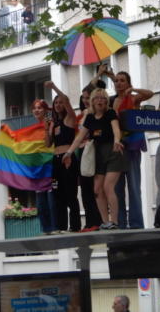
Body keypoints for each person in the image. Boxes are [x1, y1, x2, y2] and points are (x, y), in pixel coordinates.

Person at [63, 88, 126, 230]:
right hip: (97, 154)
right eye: (97, 98)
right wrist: (69, 152)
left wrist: (117, 140)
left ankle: (114, 222)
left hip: (113, 151)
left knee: (108, 187)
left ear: (106, 101)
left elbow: (116, 129)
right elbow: (80, 136)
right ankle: (105, 222)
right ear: (92, 101)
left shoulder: (110, 113)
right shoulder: (90, 117)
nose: (100, 100)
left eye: (103, 98)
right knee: (97, 189)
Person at [110, 70, 153, 229]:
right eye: (116, 81)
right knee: (117, 188)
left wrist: (133, 90)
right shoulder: (111, 101)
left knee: (134, 187)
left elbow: (149, 93)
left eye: (122, 80)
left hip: (132, 146)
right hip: (117, 147)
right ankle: (120, 223)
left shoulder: (134, 98)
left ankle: (136, 224)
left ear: (128, 83)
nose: (118, 83)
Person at [44, 81, 81, 233]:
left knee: (70, 193)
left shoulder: (70, 118)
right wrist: (47, 129)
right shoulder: (54, 123)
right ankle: (60, 226)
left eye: (60, 102)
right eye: (56, 102)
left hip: (68, 159)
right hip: (56, 161)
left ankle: (75, 226)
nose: (59, 104)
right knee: (57, 192)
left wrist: (54, 88)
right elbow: (47, 144)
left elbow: (66, 99)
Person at [76, 84, 103, 232]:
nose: (85, 100)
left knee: (93, 187)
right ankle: (89, 221)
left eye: (88, 97)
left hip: (92, 150)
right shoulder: (83, 113)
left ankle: (96, 221)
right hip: (81, 151)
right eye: (83, 97)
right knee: (85, 187)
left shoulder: (93, 114)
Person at [31, 99, 58, 234]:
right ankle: (46, 229)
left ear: (46, 110)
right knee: (40, 202)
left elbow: (48, 144)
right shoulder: (32, 129)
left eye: (40, 108)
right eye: (35, 108)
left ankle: (55, 227)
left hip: (51, 166)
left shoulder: (51, 124)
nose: (37, 110)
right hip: (38, 168)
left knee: (52, 198)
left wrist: (47, 128)